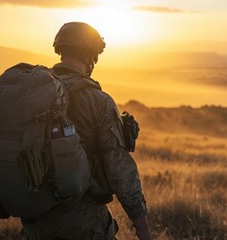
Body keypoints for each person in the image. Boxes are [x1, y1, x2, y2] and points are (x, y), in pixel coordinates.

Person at [20, 22, 152, 240]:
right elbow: (119, 169)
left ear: (61, 50)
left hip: (33, 220)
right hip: (82, 222)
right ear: (91, 55)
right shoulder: (98, 101)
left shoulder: (32, 93)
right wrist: (141, 224)